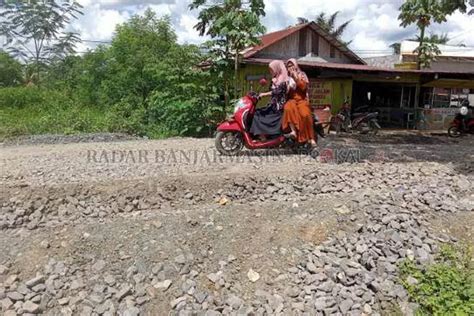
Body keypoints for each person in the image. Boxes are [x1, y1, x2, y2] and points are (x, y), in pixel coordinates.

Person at [250, 60, 289, 140]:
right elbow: (269, 89)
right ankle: (262, 134)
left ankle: (263, 136)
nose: (270, 71)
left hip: (278, 106)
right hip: (272, 104)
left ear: (277, 68)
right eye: (270, 70)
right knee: (256, 112)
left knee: (259, 114)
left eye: (272, 69)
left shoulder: (283, 80)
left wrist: (264, 94)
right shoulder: (275, 79)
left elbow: (277, 92)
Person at [283, 58, 316, 146]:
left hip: (302, 99)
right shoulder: (287, 78)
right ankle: (293, 132)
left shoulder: (302, 75)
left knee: (305, 114)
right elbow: (286, 92)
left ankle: (311, 138)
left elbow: (303, 88)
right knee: (288, 108)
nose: (290, 67)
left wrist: (296, 77)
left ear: (296, 65)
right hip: (292, 99)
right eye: (288, 66)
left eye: (292, 65)